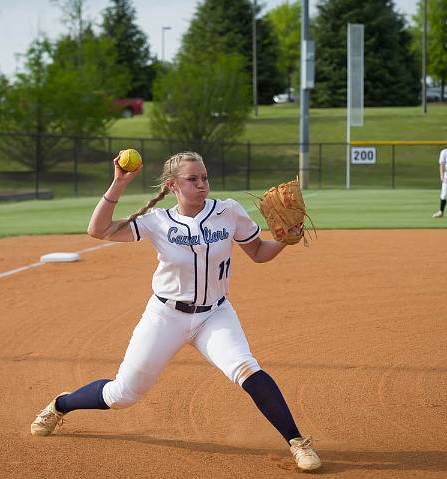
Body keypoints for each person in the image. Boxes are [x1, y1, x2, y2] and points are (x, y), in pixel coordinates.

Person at [30, 151, 322, 472]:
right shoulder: (158, 222)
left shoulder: (228, 212)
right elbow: (97, 230)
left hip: (215, 314)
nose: (202, 185)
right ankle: (61, 404)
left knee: (245, 368)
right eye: (192, 179)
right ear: (172, 186)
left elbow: (258, 253)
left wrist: (285, 240)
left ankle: (297, 442)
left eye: (205, 178)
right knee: (122, 394)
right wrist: (118, 183)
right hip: (166, 316)